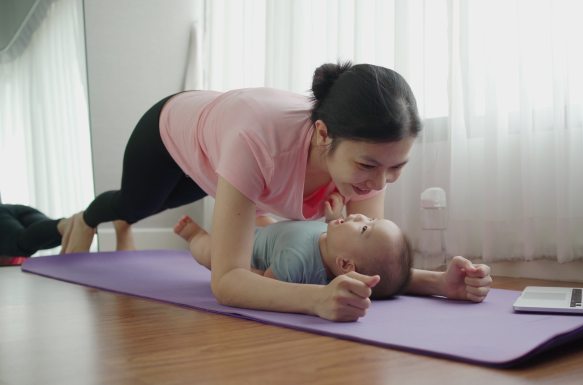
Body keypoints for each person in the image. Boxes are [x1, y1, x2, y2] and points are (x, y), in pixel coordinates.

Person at [61, 61, 492, 321]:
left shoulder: (360, 162)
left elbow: (361, 263)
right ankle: (87, 218)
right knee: (141, 203)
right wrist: (314, 300)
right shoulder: (258, 143)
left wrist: (439, 283)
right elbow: (227, 281)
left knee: (175, 198)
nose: (378, 185)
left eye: (396, 168)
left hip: (222, 146)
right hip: (171, 129)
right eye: (368, 166)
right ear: (324, 135)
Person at [175, 212, 413, 299]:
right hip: (274, 233)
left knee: (211, 253)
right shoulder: (334, 242)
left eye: (364, 228)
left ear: (345, 264)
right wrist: (332, 218)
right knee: (268, 223)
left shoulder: (294, 260)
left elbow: (262, 283)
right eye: (371, 219)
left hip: (247, 248)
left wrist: (235, 268)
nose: (361, 216)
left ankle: (195, 236)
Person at [0, 204, 71, 257]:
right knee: (61, 234)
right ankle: (75, 222)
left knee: (21, 244)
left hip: (5, 212)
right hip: (24, 211)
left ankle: (75, 223)